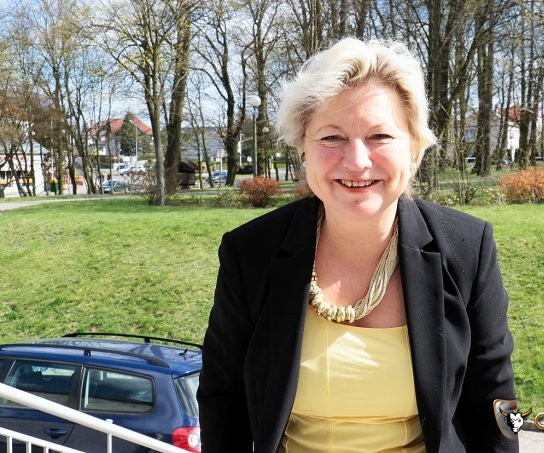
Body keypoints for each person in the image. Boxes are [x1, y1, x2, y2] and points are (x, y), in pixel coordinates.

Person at [197, 37, 517, 453]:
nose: (357, 161)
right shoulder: (250, 252)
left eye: (379, 135)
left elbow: (497, 398)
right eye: (332, 138)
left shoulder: (468, 247)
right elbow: (222, 397)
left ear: (414, 147)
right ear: (303, 148)